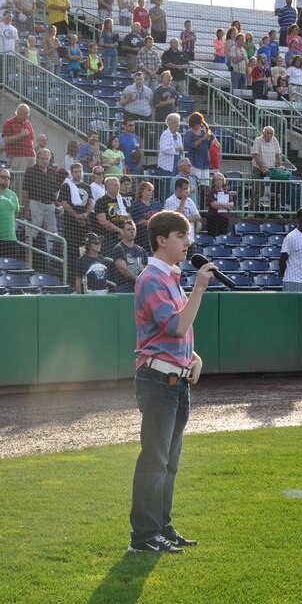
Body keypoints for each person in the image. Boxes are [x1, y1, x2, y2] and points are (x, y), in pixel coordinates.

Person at [128, 210, 214, 554]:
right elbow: (175, 326)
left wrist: (193, 357)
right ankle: (144, 536)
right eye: (181, 236)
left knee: (169, 461)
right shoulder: (151, 278)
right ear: (161, 240)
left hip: (175, 381)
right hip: (157, 381)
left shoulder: (171, 277)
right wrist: (200, 289)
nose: (187, 242)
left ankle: (161, 526)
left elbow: (180, 333)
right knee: (155, 459)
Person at [57, 162, 93, 278]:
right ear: (72, 173)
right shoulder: (66, 186)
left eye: (80, 171)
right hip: (71, 223)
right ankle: (71, 276)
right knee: (71, 250)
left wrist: (86, 214)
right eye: (75, 171)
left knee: (87, 247)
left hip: (85, 221)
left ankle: (87, 273)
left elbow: (91, 201)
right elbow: (64, 202)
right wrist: (76, 215)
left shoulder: (87, 186)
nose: (78, 173)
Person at [22, 148, 58, 251]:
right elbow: (25, 191)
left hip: (50, 206)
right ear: (37, 158)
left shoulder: (52, 172)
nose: (45, 161)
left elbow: (55, 190)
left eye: (47, 159)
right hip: (35, 204)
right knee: (30, 234)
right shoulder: (30, 171)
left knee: (52, 234)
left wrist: (56, 205)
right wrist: (27, 209)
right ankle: (28, 263)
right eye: (42, 158)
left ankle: (50, 261)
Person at [92, 175, 129, 254]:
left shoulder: (121, 201)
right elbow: (102, 221)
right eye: (115, 185)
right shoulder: (101, 201)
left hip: (123, 237)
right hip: (108, 239)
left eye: (118, 185)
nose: (118, 187)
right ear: (108, 187)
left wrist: (125, 231)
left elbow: (128, 217)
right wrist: (120, 231)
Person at [112, 219, 148, 292]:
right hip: (125, 288)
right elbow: (123, 269)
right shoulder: (119, 248)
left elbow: (145, 268)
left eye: (133, 229)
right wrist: (138, 279)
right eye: (129, 230)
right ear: (123, 231)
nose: (132, 232)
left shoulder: (141, 250)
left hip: (139, 287)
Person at [1, 103, 35, 176]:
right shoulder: (9, 123)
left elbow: (32, 139)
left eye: (27, 113)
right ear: (18, 113)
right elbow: (6, 140)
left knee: (32, 180)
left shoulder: (28, 124)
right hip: (17, 156)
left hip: (30, 155)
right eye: (24, 114)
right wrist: (20, 135)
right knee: (18, 181)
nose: (26, 116)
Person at [164, 178, 200, 244]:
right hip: (177, 240)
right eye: (185, 189)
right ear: (178, 188)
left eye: (188, 188)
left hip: (190, 239)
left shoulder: (189, 201)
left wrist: (184, 220)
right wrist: (183, 201)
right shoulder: (169, 201)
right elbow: (176, 219)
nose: (187, 191)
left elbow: (197, 216)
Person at [183, 112, 213, 185]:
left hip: (205, 162)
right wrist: (203, 138)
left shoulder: (203, 132)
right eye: (198, 123)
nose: (200, 125)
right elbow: (191, 146)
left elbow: (208, 147)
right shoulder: (188, 134)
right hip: (194, 162)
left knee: (205, 184)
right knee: (195, 183)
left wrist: (210, 139)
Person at [131, 181, 161, 247]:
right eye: (148, 190)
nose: (151, 192)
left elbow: (162, 215)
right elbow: (138, 221)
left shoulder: (155, 203)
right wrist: (155, 221)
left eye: (151, 191)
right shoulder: (135, 204)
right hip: (142, 237)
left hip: (155, 236)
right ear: (141, 191)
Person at [206, 172, 235, 238]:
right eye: (217, 180)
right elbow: (214, 205)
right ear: (214, 182)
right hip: (214, 218)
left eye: (220, 180)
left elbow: (231, 205)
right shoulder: (211, 193)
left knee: (223, 236)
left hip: (224, 218)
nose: (219, 182)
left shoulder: (227, 192)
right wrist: (225, 205)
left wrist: (219, 203)